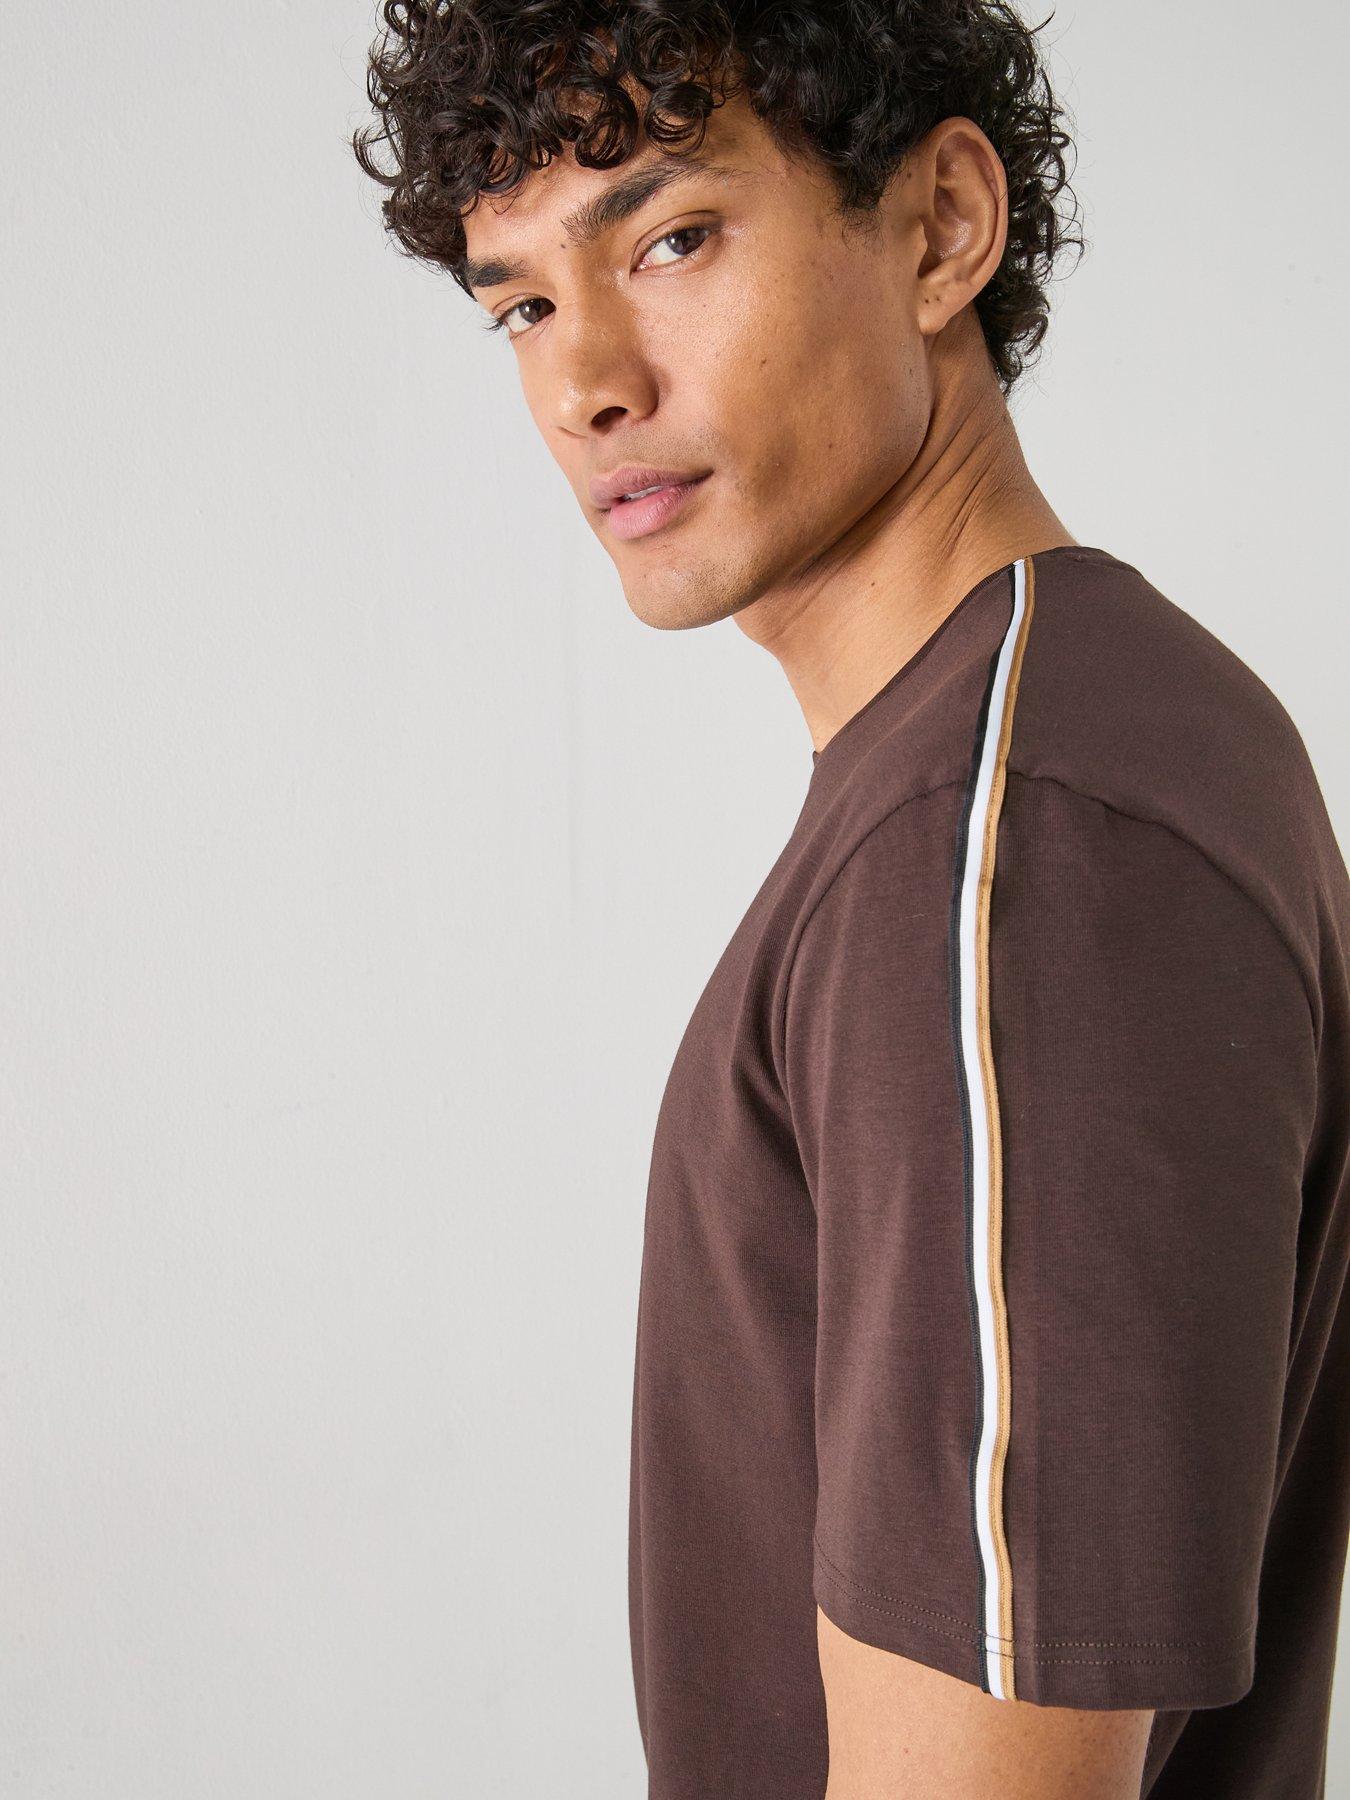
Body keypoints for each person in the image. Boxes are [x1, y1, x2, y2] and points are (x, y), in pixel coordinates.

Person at [352, 4, 1350, 1794]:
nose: (584, 383)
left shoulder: (1015, 845)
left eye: (671, 239)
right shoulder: (1041, 753)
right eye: (522, 304)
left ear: (940, 228)